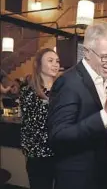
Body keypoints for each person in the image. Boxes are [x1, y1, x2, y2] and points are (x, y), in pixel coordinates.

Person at [48, 22, 107, 189]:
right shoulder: (68, 82)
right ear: (87, 53)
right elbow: (59, 136)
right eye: (105, 56)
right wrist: (105, 116)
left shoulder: (101, 76)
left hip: (100, 169)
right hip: (77, 177)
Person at [19, 48, 60, 189]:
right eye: (50, 61)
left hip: (60, 154)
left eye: (57, 61)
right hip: (38, 157)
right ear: (38, 64)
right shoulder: (28, 91)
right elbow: (36, 124)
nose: (56, 64)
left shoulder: (62, 90)